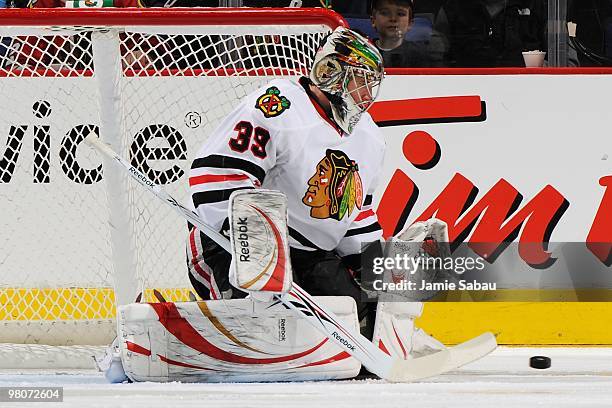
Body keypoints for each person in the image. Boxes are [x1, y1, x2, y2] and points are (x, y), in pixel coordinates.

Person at [186, 27, 446, 359]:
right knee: (258, 330)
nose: (367, 94)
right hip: (234, 247)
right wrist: (255, 245)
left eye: (372, 85)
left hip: (308, 256)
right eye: (361, 81)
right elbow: (217, 175)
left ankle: (396, 338)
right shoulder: (277, 106)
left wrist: (377, 269)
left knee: (357, 318)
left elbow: (353, 215)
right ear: (331, 72)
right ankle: (216, 331)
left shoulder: (369, 137)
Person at [370, 0, 445, 67]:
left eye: (400, 14)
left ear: (410, 23)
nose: (393, 19)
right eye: (385, 13)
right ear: (373, 20)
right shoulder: (364, 53)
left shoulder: (420, 55)